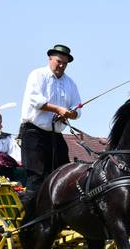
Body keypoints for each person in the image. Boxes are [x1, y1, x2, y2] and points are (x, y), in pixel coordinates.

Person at [18, 44, 82, 216]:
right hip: (34, 133)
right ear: (50, 59)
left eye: (65, 63)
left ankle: (57, 215)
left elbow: (77, 108)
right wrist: (59, 110)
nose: (61, 66)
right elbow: (36, 100)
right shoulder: (37, 75)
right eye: (59, 62)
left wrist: (71, 113)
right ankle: (27, 219)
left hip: (55, 134)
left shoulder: (70, 83)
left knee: (63, 174)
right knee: (36, 178)